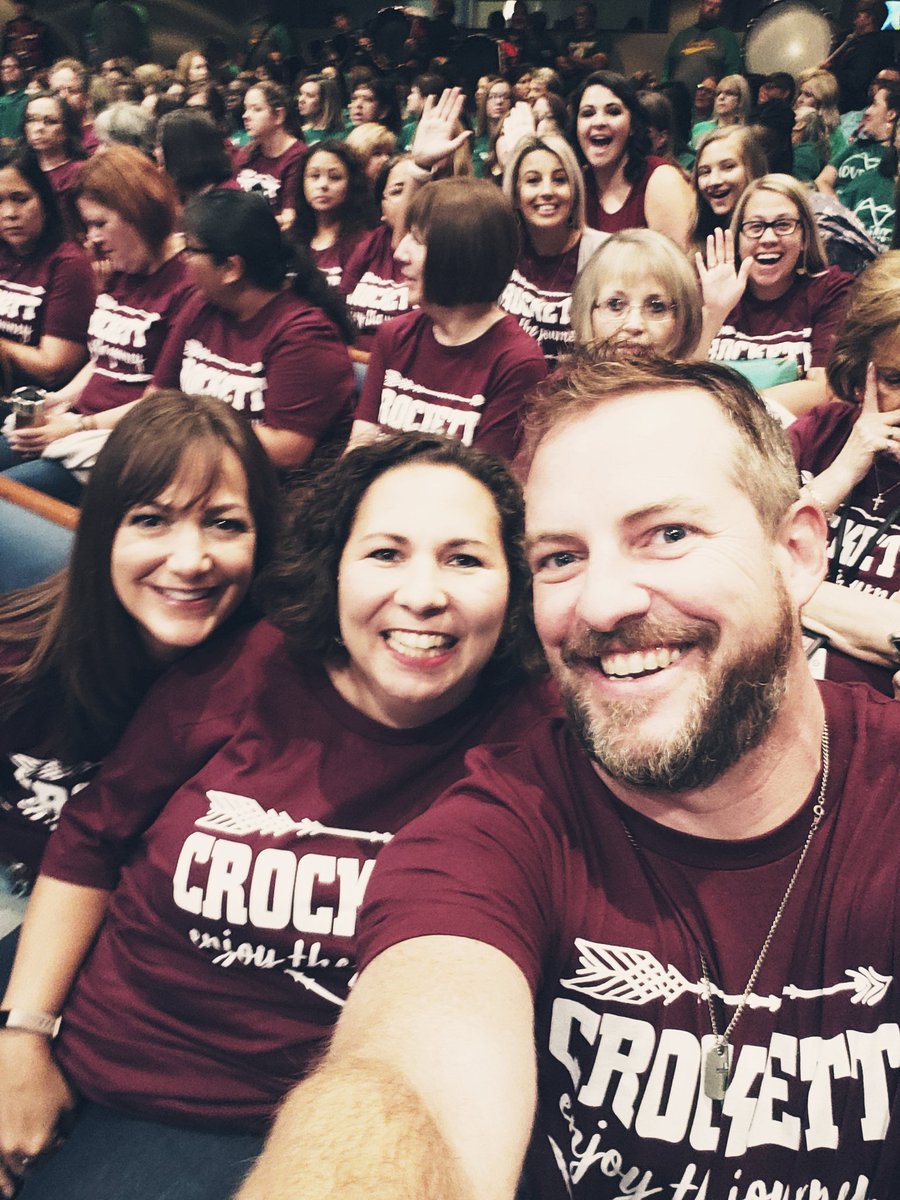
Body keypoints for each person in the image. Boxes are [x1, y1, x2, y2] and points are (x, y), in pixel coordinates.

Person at [235, 353, 900, 1200]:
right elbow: (404, 1086)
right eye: (559, 558)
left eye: (668, 534)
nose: (600, 604)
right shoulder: (493, 830)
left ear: (798, 552)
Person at [0, 432, 553, 1200]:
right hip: (79, 1032)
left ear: (516, 584)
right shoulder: (252, 664)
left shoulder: (542, 730)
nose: (423, 593)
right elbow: (94, 839)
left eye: (464, 558)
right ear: (334, 568)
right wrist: (23, 1038)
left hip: (262, 1123)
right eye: (386, 553)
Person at [0, 389, 280, 896]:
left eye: (224, 524)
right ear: (104, 533)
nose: (190, 561)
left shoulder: (282, 686)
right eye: (151, 520)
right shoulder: (16, 656)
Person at [0, 145, 192, 503]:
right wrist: (60, 401)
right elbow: (104, 358)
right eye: (88, 226)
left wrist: (76, 425)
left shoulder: (188, 284)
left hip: (125, 442)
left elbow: (161, 400)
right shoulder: (121, 269)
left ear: (139, 212)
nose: (93, 240)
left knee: (10, 496)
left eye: (100, 224)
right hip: (81, 420)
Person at [151, 189, 355, 474]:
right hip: (194, 464)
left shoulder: (306, 334)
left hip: (268, 489)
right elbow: (157, 394)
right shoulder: (201, 305)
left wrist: (186, 425)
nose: (182, 259)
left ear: (231, 267)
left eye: (190, 250)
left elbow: (286, 450)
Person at [349, 177, 547, 461]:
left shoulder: (517, 362)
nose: (399, 253)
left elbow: (484, 486)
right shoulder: (393, 335)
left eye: (417, 240)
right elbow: (358, 451)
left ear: (460, 254)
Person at [788, 251, 900, 696]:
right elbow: (739, 556)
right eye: (894, 379)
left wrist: (780, 591)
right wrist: (844, 470)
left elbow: (758, 576)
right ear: (860, 371)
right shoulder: (823, 431)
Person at [703, 173, 853, 417]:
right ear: (738, 238)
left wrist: (728, 409)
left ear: (804, 237)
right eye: (755, 226)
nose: (769, 238)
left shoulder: (831, 289)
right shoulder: (711, 289)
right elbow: (681, 379)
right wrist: (714, 312)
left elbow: (824, 388)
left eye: (784, 225)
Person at [499, 132, 606, 366]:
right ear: (516, 195)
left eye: (559, 179)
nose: (547, 191)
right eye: (533, 180)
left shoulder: (605, 253)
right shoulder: (499, 255)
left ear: (575, 190)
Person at [0, 144, 94, 390]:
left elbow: (53, 368)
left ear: (44, 200)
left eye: (21, 199)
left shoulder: (68, 263)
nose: (9, 213)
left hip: (33, 402)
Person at [572, 71, 695, 250]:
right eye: (588, 113)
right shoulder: (577, 185)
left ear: (632, 126)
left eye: (613, 112)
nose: (598, 122)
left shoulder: (661, 180)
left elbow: (684, 271)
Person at [569, 228, 704, 360]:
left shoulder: (704, 383)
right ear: (588, 311)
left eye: (656, 307)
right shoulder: (564, 382)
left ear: (684, 316)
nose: (634, 325)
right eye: (615, 304)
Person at [815, 79, 900, 252]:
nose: (867, 111)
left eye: (874, 105)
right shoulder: (856, 147)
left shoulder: (890, 164)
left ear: (891, 114)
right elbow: (822, 181)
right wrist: (841, 214)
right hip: (837, 217)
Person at [292, 139, 374, 290]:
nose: (323, 185)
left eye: (335, 177)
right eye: (314, 176)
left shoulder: (366, 243)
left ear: (352, 183)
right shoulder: (290, 240)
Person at [235, 81, 306, 230]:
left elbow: (289, 219)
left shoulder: (299, 156)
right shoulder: (246, 153)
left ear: (279, 115)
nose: (245, 116)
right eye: (246, 109)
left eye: (256, 109)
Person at [692, 125, 767, 244]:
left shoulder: (772, 239)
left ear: (754, 168)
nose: (714, 181)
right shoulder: (697, 243)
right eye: (705, 172)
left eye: (728, 167)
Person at [661, 0, 742, 94]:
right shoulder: (683, 35)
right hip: (676, 99)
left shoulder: (727, 37)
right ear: (701, 5)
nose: (712, 8)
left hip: (707, 100)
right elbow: (667, 66)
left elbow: (733, 71)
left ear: (721, 10)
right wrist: (664, 88)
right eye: (709, 3)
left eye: (717, 6)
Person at [156, 108, 233, 205]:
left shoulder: (228, 202)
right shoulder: (183, 195)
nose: (156, 152)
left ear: (181, 150)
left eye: (160, 145)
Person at [691, 72, 751, 144]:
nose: (721, 97)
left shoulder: (746, 136)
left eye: (729, 93)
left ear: (741, 100)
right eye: (718, 93)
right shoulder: (700, 128)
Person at [296, 72, 344, 145]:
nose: (301, 100)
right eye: (300, 94)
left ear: (325, 101)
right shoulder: (299, 133)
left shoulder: (341, 135)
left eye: (310, 95)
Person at [0, 55, 27, 148]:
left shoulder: (29, 98)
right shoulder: (1, 102)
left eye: (12, 67)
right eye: (3, 68)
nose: (6, 71)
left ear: (21, 70)